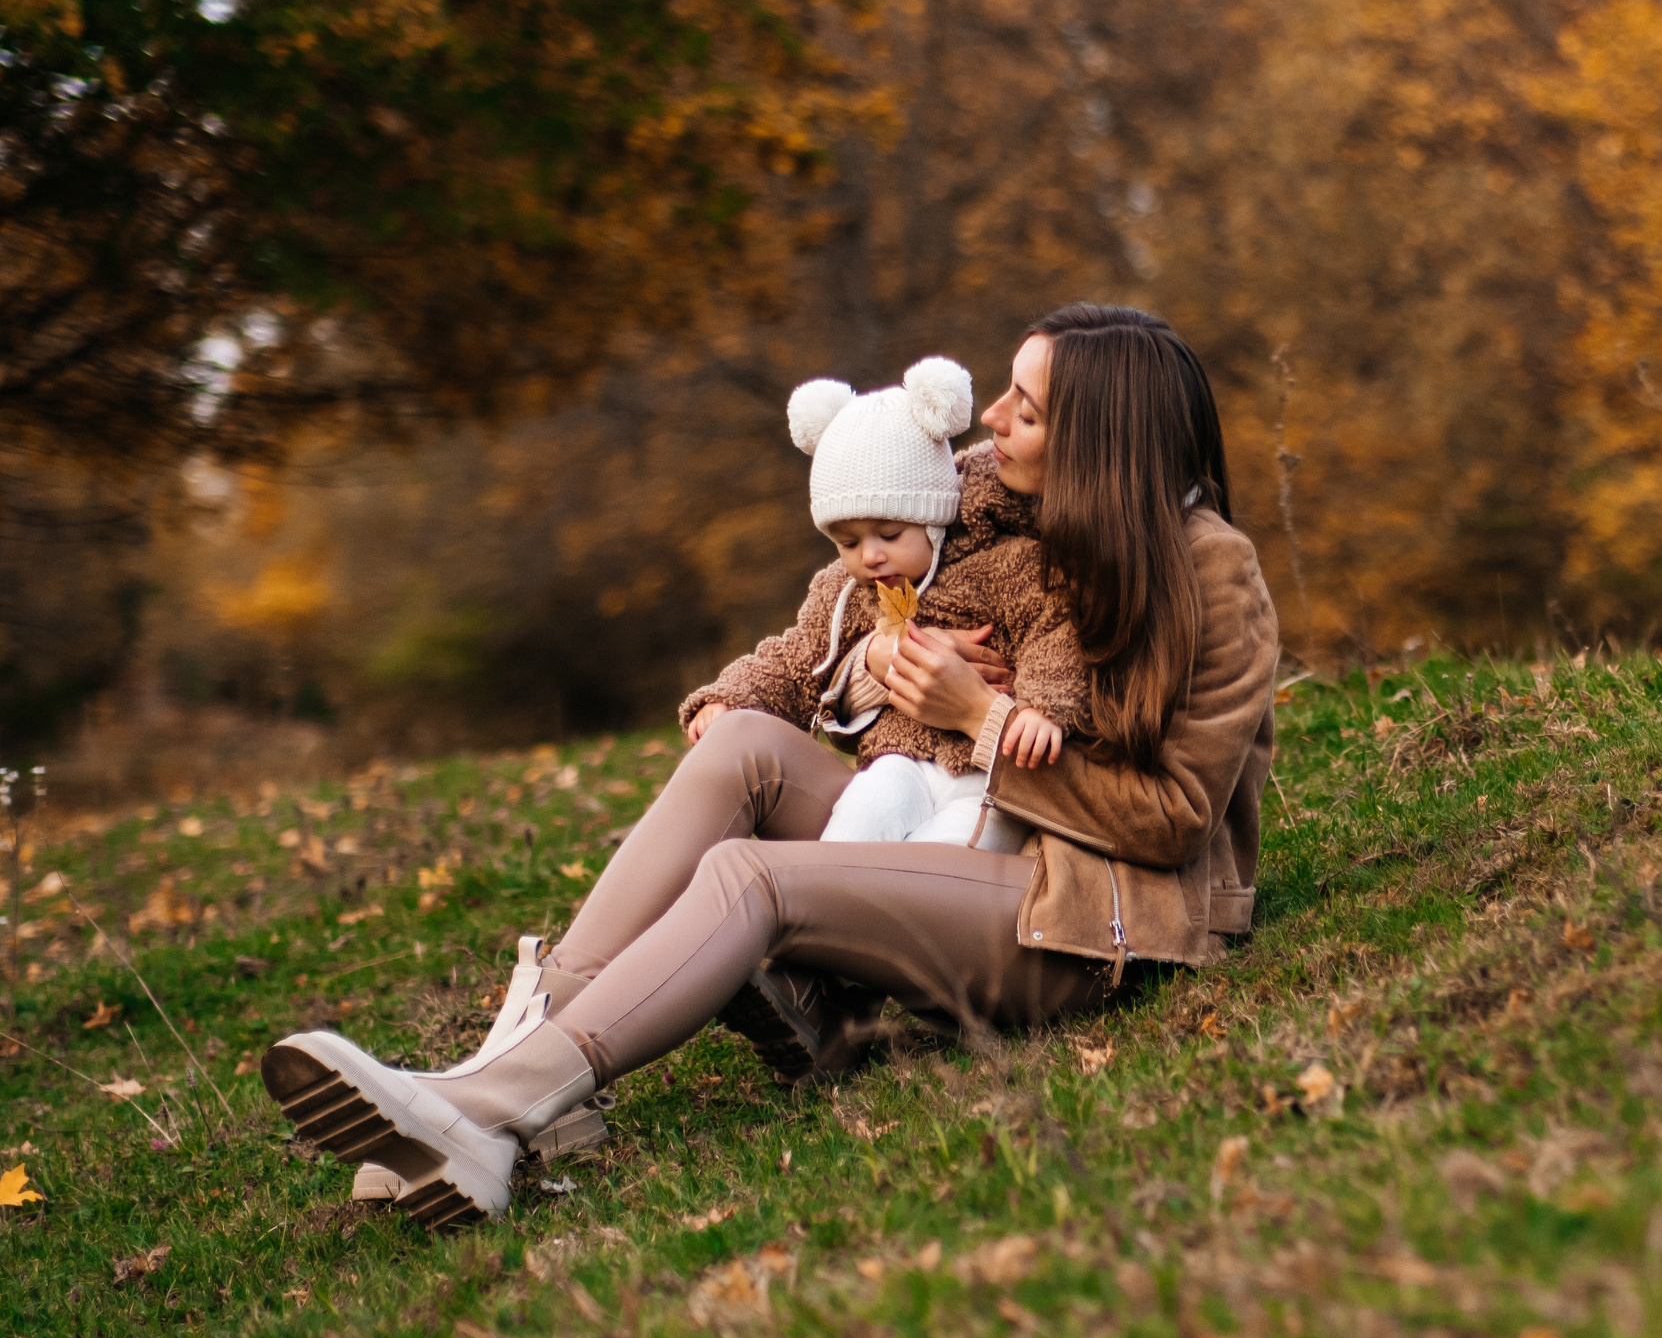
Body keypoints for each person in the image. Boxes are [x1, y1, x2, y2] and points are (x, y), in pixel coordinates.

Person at [259, 304, 1278, 1231]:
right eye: (1006, 391)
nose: (997, 415)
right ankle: (505, 1074)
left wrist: (978, 718)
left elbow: (1175, 822)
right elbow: (856, 597)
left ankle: (487, 1112)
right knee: (747, 746)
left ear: (1101, 443)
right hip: (946, 823)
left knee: (751, 877)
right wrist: (883, 660)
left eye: (1028, 406)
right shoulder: (985, 496)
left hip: (1075, 912)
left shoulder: (1207, 570)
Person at [683, 353, 1084, 855]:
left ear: (933, 516)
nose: (870, 556)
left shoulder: (1003, 566)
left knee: (939, 855)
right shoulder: (844, 595)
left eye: (890, 534)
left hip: (987, 773)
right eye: (848, 543)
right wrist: (729, 698)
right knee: (856, 824)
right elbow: (791, 662)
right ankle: (827, 903)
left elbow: (1058, 628)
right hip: (898, 759)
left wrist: (1045, 707)